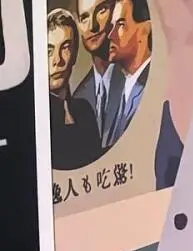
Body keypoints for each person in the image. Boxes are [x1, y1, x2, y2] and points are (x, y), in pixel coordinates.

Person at [48, 10, 101, 172]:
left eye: (65, 48)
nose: (58, 60)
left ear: (75, 54)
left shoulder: (85, 110)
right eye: (49, 51)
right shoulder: (36, 117)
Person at [72, 1, 123, 150]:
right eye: (84, 17)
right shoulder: (79, 98)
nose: (92, 26)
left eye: (101, 10)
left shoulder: (133, 80)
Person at [106, 0, 152, 148]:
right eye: (111, 26)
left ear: (144, 30)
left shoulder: (152, 87)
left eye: (120, 25)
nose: (110, 35)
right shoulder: (118, 91)